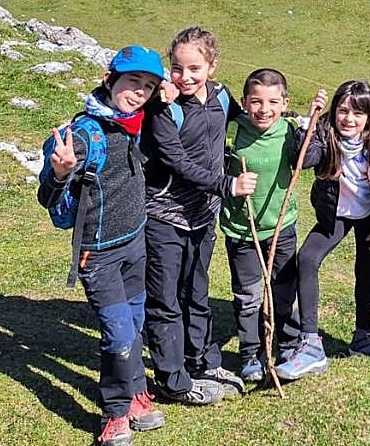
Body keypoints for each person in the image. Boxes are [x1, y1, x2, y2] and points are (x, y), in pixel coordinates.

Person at [37, 45, 168, 446]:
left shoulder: (138, 123)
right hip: (99, 254)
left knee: (136, 323)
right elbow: (47, 197)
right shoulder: (83, 134)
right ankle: (115, 414)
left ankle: (136, 396)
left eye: (148, 87)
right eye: (132, 82)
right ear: (109, 79)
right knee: (118, 334)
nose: (139, 92)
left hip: (135, 244)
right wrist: (60, 173)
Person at [141, 27, 247, 405]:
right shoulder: (163, 109)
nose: (184, 77)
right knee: (165, 299)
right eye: (176, 68)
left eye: (194, 68)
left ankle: (201, 361)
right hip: (164, 215)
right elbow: (177, 162)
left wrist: (296, 118)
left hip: (203, 216)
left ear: (212, 66)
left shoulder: (220, 97)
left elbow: (250, 119)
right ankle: (171, 380)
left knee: (196, 291)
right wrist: (226, 184)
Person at [277, 80, 370, 382]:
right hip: (336, 215)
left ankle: (363, 337)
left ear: (369, 116)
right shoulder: (324, 133)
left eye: (357, 113)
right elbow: (303, 160)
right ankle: (310, 342)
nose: (349, 119)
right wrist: (310, 122)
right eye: (343, 110)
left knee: (366, 271)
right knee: (307, 259)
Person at [216, 68, 326, 385]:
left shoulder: (289, 131)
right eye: (256, 101)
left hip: (282, 226)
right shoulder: (233, 131)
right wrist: (231, 181)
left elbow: (307, 159)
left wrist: (311, 123)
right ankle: (251, 354)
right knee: (248, 295)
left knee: (283, 291)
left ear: (284, 103)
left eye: (273, 102)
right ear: (244, 103)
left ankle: (288, 347)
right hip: (242, 228)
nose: (264, 109)